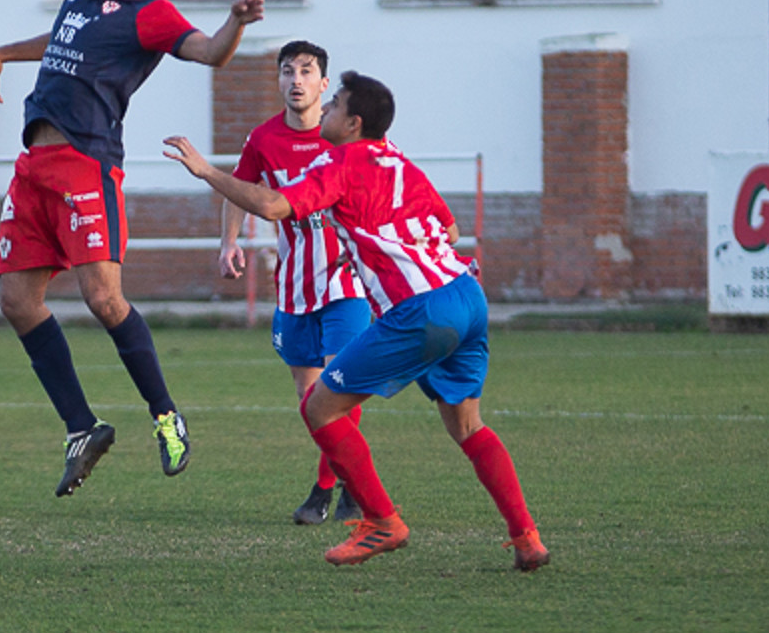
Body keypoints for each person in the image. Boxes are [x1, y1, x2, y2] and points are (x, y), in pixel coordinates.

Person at [165, 71, 549, 571]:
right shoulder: (398, 161)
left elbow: (273, 204)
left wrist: (207, 172)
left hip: (423, 309)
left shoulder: (340, 162)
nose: (325, 111)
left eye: (335, 104)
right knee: (468, 426)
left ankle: (382, 521)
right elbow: (448, 228)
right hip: (468, 297)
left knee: (319, 407)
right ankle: (527, 539)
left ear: (353, 122)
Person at [0, 0, 264, 496]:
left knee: (104, 300)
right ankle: (81, 428)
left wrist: (235, 21)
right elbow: (59, 39)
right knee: (16, 301)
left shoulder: (151, 14)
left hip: (86, 167)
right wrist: (3, 52)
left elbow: (210, 52)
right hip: (33, 167)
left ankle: (166, 415)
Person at [217, 40, 373, 524]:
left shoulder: (346, 134)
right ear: (280, 81)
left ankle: (329, 490)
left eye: (307, 71)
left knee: (338, 388)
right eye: (288, 71)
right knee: (312, 404)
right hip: (294, 289)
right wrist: (228, 243)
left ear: (324, 84)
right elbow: (240, 191)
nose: (297, 80)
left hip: (346, 284)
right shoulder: (263, 139)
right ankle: (347, 482)